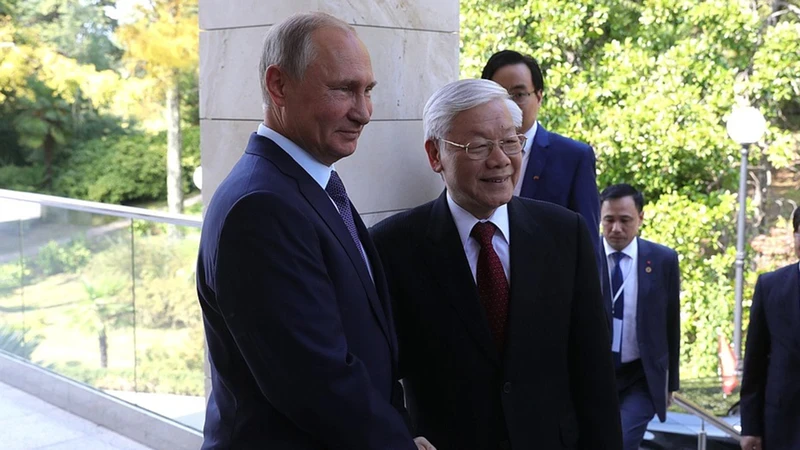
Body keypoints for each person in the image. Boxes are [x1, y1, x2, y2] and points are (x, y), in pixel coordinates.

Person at [196, 12, 433, 450]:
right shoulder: (261, 208)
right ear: (278, 85)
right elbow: (316, 383)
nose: (363, 113)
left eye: (368, 91)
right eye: (343, 89)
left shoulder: (309, 184)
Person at [371, 79, 622, 450]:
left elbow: (595, 375)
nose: (500, 160)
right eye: (478, 146)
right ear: (435, 154)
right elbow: (379, 371)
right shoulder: (392, 246)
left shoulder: (564, 234)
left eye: (509, 142)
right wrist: (404, 437)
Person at [482, 50, 601, 259]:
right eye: (499, 96)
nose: (509, 105)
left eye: (518, 95)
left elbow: (588, 246)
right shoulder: (470, 152)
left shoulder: (573, 158)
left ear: (538, 96)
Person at [598, 184, 681, 450]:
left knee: (621, 441)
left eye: (625, 220)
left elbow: (671, 323)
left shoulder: (661, 260)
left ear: (641, 218)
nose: (616, 229)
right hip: (595, 373)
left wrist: (671, 382)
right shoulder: (586, 255)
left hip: (640, 376)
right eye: (609, 220)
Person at [740, 207, 800, 450]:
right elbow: (755, 362)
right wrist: (750, 428)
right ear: (794, 236)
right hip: (783, 424)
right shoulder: (770, 287)